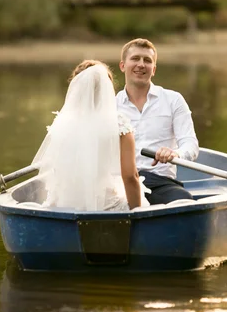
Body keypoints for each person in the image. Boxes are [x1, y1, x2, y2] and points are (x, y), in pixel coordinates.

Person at [32, 60, 150, 211]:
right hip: (105, 205)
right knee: (141, 199)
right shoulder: (118, 123)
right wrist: (136, 211)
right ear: (107, 90)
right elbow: (130, 176)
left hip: (62, 204)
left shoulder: (61, 122)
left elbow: (53, 171)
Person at [116, 38, 199, 205]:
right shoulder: (110, 106)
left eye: (147, 60)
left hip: (160, 182)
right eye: (135, 59)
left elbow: (190, 144)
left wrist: (176, 154)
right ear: (122, 66)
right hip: (120, 183)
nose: (141, 64)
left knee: (185, 203)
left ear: (153, 69)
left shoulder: (173, 99)